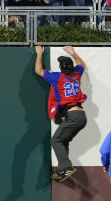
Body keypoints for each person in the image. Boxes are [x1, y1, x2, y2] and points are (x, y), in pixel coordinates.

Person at [35, 45, 87, 182]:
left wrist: (39, 53)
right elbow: (81, 65)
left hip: (73, 116)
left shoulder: (57, 78)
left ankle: (66, 167)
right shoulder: (77, 74)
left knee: (55, 140)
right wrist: (73, 53)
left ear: (61, 68)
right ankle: (62, 170)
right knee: (63, 140)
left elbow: (38, 70)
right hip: (81, 116)